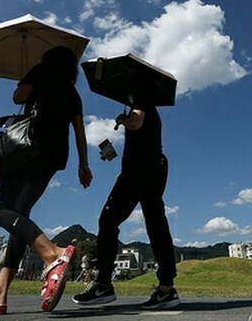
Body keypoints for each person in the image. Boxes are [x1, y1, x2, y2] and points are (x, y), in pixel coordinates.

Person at [0, 46, 93, 315]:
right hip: (54, 158)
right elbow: (80, 132)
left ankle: (52, 253)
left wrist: (26, 79)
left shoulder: (41, 71)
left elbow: (18, 96)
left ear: (48, 59)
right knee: (19, 217)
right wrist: (84, 164)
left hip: (28, 150)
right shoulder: (73, 92)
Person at [73, 74, 180, 310]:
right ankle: (166, 288)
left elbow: (136, 121)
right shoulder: (149, 106)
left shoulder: (140, 103)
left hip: (139, 172)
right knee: (155, 223)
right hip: (152, 167)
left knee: (109, 220)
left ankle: (103, 285)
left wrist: (123, 119)